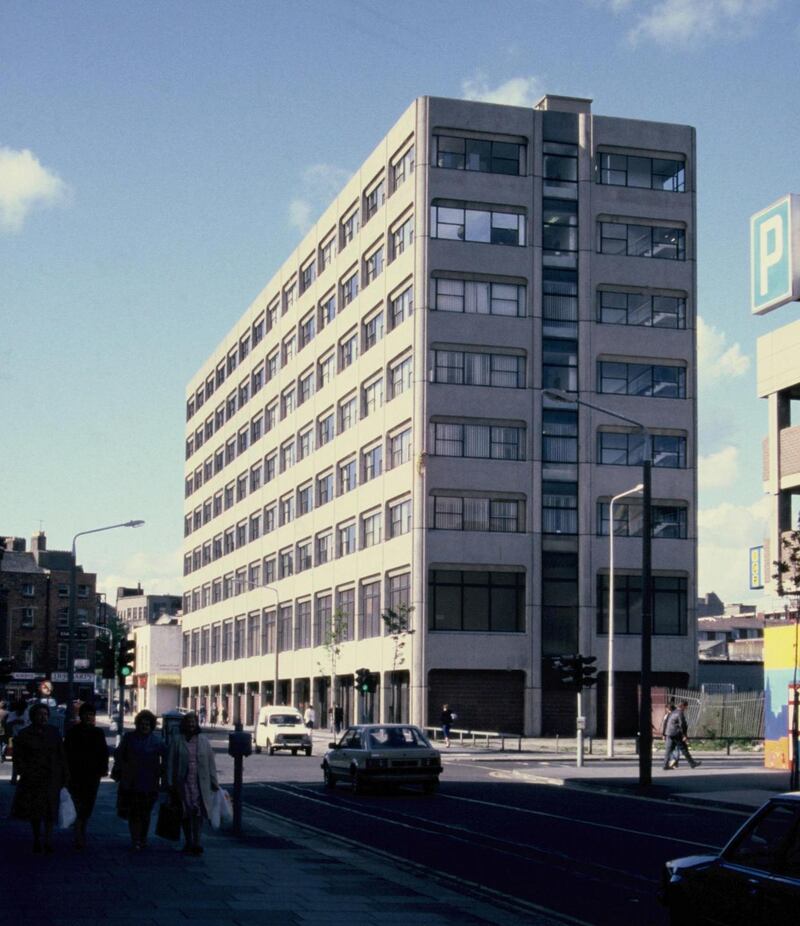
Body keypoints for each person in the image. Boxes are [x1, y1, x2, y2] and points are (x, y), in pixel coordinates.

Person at [10, 702, 68, 853]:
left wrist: (64, 774)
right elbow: (18, 758)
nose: (43, 717)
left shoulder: (54, 732)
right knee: (36, 811)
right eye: (40, 714)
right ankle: (37, 838)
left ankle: (48, 840)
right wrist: (23, 772)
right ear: (33, 716)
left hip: (51, 777)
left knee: (50, 811)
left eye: (46, 714)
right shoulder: (24, 734)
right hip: (34, 778)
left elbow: (61, 755)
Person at [166, 711, 219, 856]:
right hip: (183, 783)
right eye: (188, 721)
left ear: (197, 724)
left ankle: (197, 842)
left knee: (198, 813)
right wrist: (169, 782)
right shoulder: (177, 740)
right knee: (185, 812)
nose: (191, 724)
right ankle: (188, 841)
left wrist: (214, 781)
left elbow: (211, 762)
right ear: (184, 724)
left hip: (199, 782)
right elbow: (170, 762)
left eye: (193, 722)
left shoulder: (203, 740)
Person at [113, 709, 165, 851]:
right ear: (137, 724)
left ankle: (143, 838)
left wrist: (161, 771)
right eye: (142, 724)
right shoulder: (129, 738)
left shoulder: (157, 741)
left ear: (152, 725)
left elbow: (166, 757)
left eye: (147, 724)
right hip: (132, 782)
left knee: (146, 813)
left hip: (150, 782)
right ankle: (135, 839)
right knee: (134, 813)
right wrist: (123, 768)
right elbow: (118, 754)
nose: (144, 726)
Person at [64, 702, 109, 848]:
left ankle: (82, 828)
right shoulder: (72, 732)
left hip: (92, 775)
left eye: (91, 714)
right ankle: (78, 832)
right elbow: (66, 753)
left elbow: (104, 752)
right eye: (86, 714)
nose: (89, 717)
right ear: (80, 715)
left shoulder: (98, 733)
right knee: (77, 804)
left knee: (88, 804)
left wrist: (104, 769)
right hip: (76, 774)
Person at [663, 700, 701, 770]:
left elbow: (667, 722)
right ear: (683, 706)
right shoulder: (680, 713)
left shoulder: (673, 712)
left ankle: (665, 765)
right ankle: (692, 763)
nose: (686, 709)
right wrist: (684, 735)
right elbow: (682, 725)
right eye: (686, 707)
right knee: (684, 749)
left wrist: (664, 734)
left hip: (669, 733)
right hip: (676, 733)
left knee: (668, 750)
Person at [6, 699, 29, 783]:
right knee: (16, 759)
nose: (21, 712)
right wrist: (15, 721)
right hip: (17, 738)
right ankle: (14, 778)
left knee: (26, 759)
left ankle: (24, 777)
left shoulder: (28, 714)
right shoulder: (12, 714)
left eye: (22, 710)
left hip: (27, 738)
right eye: (19, 710)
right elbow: (8, 725)